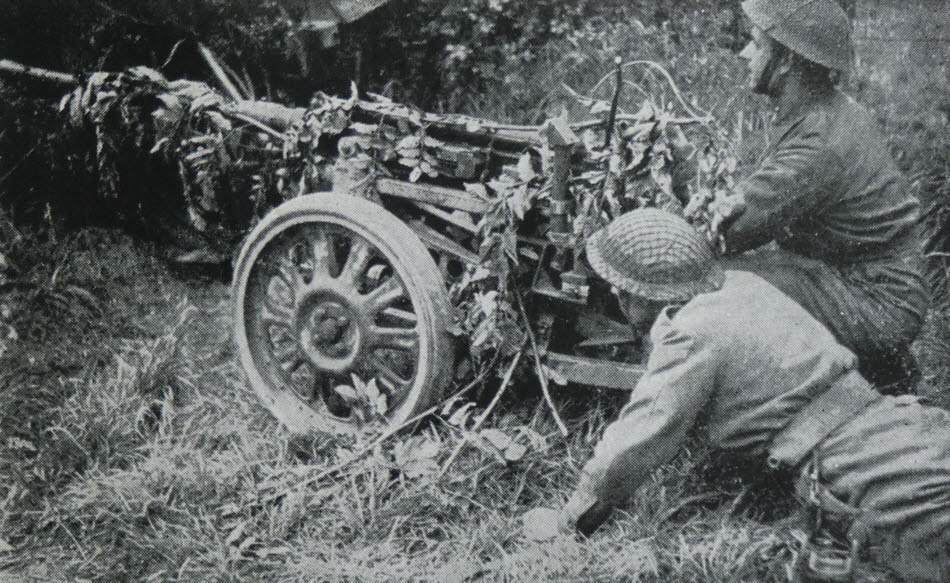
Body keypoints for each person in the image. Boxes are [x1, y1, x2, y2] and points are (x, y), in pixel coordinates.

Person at [556, 208, 950, 581]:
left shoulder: (691, 335)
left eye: (620, 291)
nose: (619, 300)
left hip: (856, 466)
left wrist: (573, 518)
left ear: (639, 295)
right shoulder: (745, 285)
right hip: (901, 422)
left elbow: (634, 441)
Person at [718, 0, 928, 389]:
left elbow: (728, 233)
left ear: (786, 63)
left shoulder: (821, 145)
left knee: (711, 281)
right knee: (753, 272)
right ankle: (877, 373)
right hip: (866, 284)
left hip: (874, 301)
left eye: (757, 44)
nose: (746, 54)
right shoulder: (823, 111)